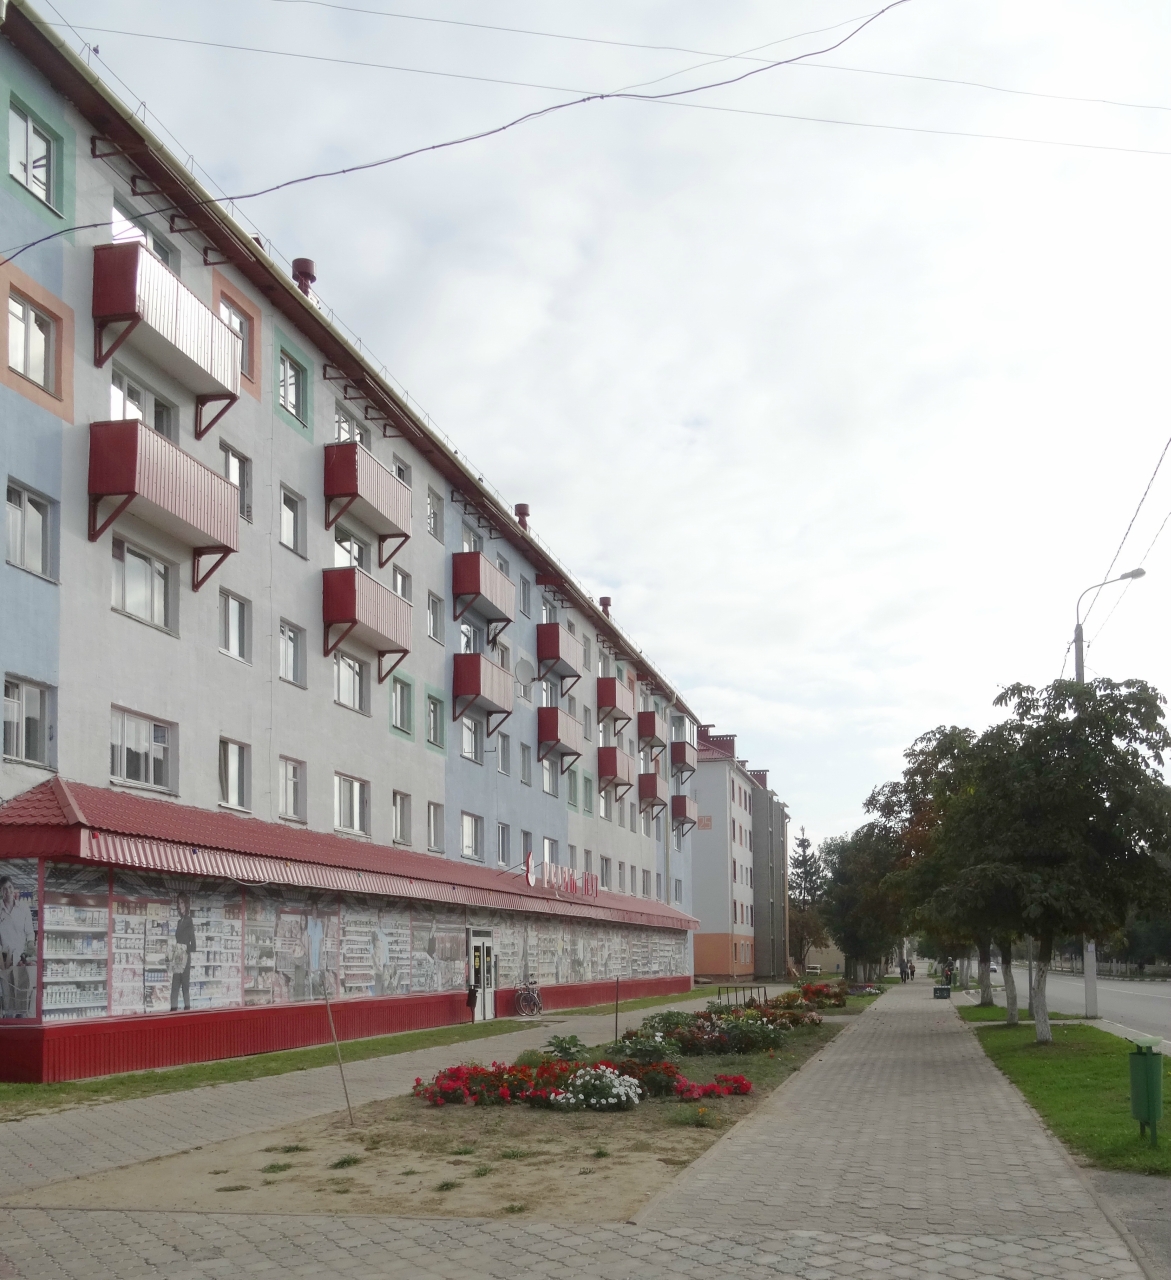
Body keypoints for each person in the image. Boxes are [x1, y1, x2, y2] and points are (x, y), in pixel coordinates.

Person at [0, 875, 36, 1017]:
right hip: (5, 962)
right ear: (1, 891)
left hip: (22, 961)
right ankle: (9, 1021)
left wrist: (29, 951)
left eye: (10, 887)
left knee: (22, 999)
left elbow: (30, 933)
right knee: (8, 999)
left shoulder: (23, 908)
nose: (8, 891)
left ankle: (21, 1022)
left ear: (13, 888)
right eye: (4, 889)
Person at [169, 892, 196, 1011]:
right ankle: (172, 1012)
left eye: (182, 902)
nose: (180, 905)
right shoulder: (179, 922)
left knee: (185, 987)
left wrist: (183, 949)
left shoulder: (189, 921)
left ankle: (187, 1012)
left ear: (186, 904)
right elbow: (178, 940)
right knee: (174, 987)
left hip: (185, 957)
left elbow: (193, 946)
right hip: (177, 957)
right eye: (179, 903)